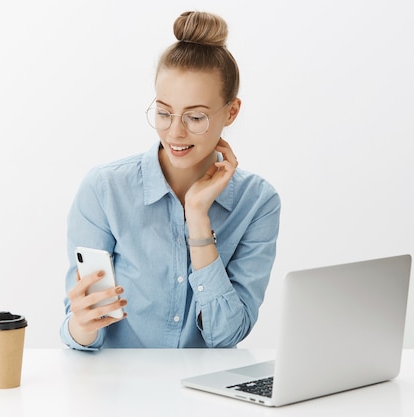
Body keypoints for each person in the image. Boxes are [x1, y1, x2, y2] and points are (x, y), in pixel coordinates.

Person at [60, 11, 281, 350]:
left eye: (195, 117)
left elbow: (227, 335)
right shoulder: (105, 190)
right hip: (119, 392)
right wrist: (82, 324)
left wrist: (197, 217)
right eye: (163, 113)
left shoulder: (257, 202)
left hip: (205, 394)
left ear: (232, 112)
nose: (175, 132)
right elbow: (80, 336)